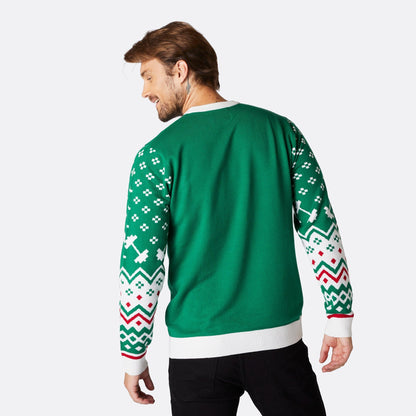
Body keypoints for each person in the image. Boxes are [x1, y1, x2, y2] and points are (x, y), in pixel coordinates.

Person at [118, 21, 353, 415]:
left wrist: (133, 354)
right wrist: (339, 317)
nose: (144, 91)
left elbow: (140, 263)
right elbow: (321, 230)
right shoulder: (281, 132)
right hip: (278, 344)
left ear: (181, 70)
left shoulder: (155, 156)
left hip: (197, 352)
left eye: (149, 76)